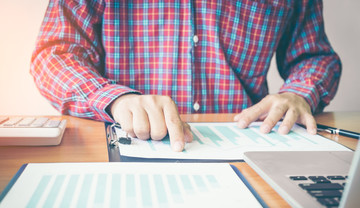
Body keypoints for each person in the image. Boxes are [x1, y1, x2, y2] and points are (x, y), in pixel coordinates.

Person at [30, 0, 341, 152]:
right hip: (123, 148)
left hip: (249, 147)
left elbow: (314, 57)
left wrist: (298, 92)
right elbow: (54, 55)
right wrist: (115, 99)